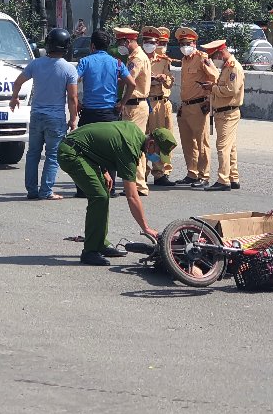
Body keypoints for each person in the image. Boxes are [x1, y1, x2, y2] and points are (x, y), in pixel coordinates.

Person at [56, 122, 177, 266]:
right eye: (158, 153)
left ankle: (100, 244)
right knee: (99, 197)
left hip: (83, 151)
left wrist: (104, 170)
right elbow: (132, 196)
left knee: (103, 195)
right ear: (151, 143)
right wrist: (146, 228)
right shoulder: (130, 148)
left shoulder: (134, 133)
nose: (157, 158)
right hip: (71, 153)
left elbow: (104, 145)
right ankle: (90, 251)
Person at [9, 28, 79, 200]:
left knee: (33, 153)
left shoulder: (36, 64)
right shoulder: (69, 69)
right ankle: (46, 191)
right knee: (52, 155)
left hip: (37, 115)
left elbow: (17, 82)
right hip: (55, 118)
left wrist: (14, 98)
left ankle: (32, 190)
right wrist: (73, 118)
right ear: (66, 47)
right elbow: (72, 97)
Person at [74, 29, 135, 197]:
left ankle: (83, 188)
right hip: (109, 113)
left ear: (92, 46)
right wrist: (122, 103)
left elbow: (73, 81)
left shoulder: (85, 61)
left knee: (84, 151)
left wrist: (76, 102)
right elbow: (132, 84)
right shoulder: (117, 63)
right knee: (110, 151)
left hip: (89, 113)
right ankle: (111, 188)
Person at [172, 26, 218, 189]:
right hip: (186, 106)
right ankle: (192, 173)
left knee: (201, 142)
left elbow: (215, 77)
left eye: (188, 43)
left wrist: (208, 99)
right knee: (187, 143)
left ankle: (204, 175)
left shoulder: (202, 57)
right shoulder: (185, 60)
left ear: (195, 43)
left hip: (200, 105)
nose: (185, 46)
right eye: (182, 43)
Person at [199, 39, 244, 191]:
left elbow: (231, 90)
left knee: (222, 147)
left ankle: (223, 180)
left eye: (213, 57)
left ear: (220, 53)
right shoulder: (226, 68)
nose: (213, 61)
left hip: (228, 112)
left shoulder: (233, 68)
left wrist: (213, 88)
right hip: (223, 111)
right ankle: (233, 177)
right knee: (230, 147)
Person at [113, 26, 152, 196]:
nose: (119, 45)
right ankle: (139, 183)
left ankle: (138, 185)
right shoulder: (135, 56)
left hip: (135, 105)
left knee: (132, 145)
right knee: (136, 144)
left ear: (127, 41)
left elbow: (128, 81)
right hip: (134, 105)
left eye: (120, 41)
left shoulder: (136, 59)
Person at [143, 26, 176, 187]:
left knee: (159, 139)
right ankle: (142, 172)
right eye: (147, 42)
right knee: (142, 138)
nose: (150, 44)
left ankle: (159, 172)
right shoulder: (138, 58)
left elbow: (170, 82)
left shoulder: (163, 61)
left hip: (157, 102)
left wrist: (164, 79)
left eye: (153, 42)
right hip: (142, 101)